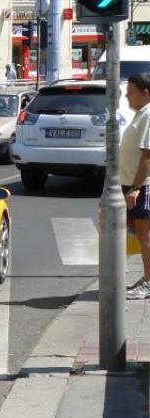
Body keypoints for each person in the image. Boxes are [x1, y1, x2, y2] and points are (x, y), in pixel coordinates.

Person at [121, 73, 150, 299]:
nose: (126, 96)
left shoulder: (148, 115)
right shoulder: (141, 114)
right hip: (134, 183)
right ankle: (148, 278)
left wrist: (136, 188)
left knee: (145, 235)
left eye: (131, 92)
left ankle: (149, 283)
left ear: (145, 93)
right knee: (141, 236)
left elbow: (147, 156)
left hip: (142, 185)